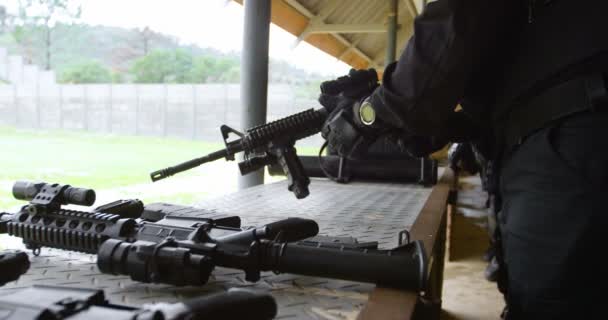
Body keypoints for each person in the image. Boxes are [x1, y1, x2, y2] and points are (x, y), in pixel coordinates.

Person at [318, 0, 608, 319]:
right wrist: (435, 125)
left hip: (571, 141)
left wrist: (367, 114)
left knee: (554, 305)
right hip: (564, 139)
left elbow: (459, 17)